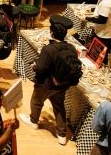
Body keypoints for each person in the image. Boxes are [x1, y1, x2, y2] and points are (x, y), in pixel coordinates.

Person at [19, 14, 76, 145]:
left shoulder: (48, 49)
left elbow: (40, 68)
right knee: (59, 107)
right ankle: (62, 134)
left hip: (46, 84)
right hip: (62, 85)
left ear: (52, 32)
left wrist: (34, 65)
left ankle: (34, 121)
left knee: (37, 101)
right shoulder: (71, 48)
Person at [86, 0, 111, 68]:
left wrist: (87, 18)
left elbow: (102, 20)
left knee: (102, 52)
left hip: (105, 32)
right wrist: (92, 9)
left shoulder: (106, 3)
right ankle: (96, 63)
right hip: (104, 30)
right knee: (97, 48)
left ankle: (102, 67)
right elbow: (101, 7)